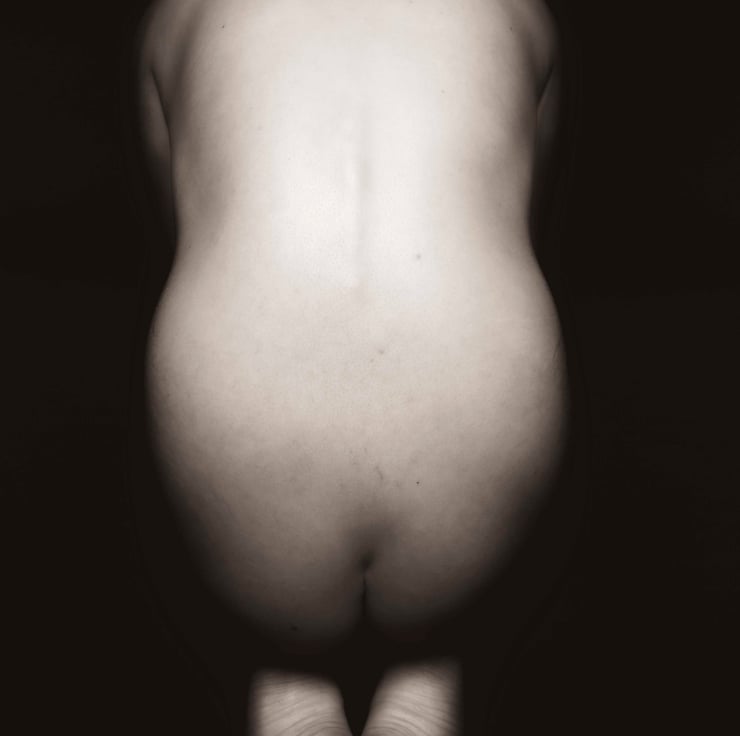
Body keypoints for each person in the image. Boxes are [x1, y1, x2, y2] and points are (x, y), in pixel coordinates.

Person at [130, 0, 582, 733]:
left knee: (281, 635)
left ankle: (286, 673)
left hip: (244, 463)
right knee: (437, 631)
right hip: (476, 455)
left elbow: (185, 215)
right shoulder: (520, 11)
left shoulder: (179, 13)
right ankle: (427, 671)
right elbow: (522, 203)